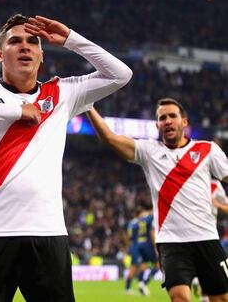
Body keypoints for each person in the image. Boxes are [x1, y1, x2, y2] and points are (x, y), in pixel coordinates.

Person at [0, 14, 132, 302]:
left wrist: (70, 39)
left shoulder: (63, 93)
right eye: (15, 41)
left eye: (33, 42)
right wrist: (18, 111)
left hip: (48, 232)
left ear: (42, 55)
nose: (25, 47)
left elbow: (120, 74)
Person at [86, 99, 228, 302]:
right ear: (157, 125)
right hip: (171, 242)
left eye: (172, 116)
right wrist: (88, 106)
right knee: (180, 297)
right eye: (162, 118)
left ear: (184, 122)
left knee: (221, 299)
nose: (167, 121)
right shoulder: (148, 151)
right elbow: (110, 138)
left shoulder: (207, 150)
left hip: (206, 237)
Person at [125, 207, 159, 296]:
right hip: (146, 245)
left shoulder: (133, 223)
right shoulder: (148, 219)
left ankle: (135, 285)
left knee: (142, 265)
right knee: (157, 265)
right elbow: (152, 232)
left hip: (135, 245)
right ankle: (143, 283)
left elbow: (129, 236)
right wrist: (155, 247)